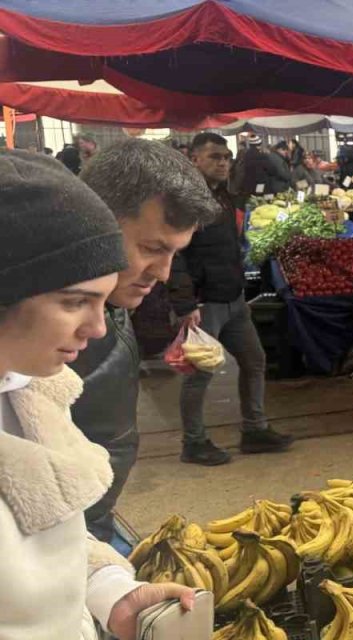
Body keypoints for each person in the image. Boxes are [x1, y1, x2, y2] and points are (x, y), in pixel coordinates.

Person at [0, 149, 202, 639]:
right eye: (74, 303)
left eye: (100, 301)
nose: (96, 327)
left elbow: (49, 519)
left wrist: (112, 588)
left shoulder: (33, 391)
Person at [73, 139, 220, 542]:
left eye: (174, 253)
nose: (163, 272)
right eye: (152, 248)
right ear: (94, 219)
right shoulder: (30, 325)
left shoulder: (114, 307)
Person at [171, 133, 293, 465]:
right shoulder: (184, 203)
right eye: (214, 157)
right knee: (200, 373)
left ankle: (255, 430)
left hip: (234, 299)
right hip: (203, 304)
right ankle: (193, 442)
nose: (223, 162)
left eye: (226, 156)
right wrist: (185, 304)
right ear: (194, 159)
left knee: (254, 360)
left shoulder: (226, 198)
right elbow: (174, 256)